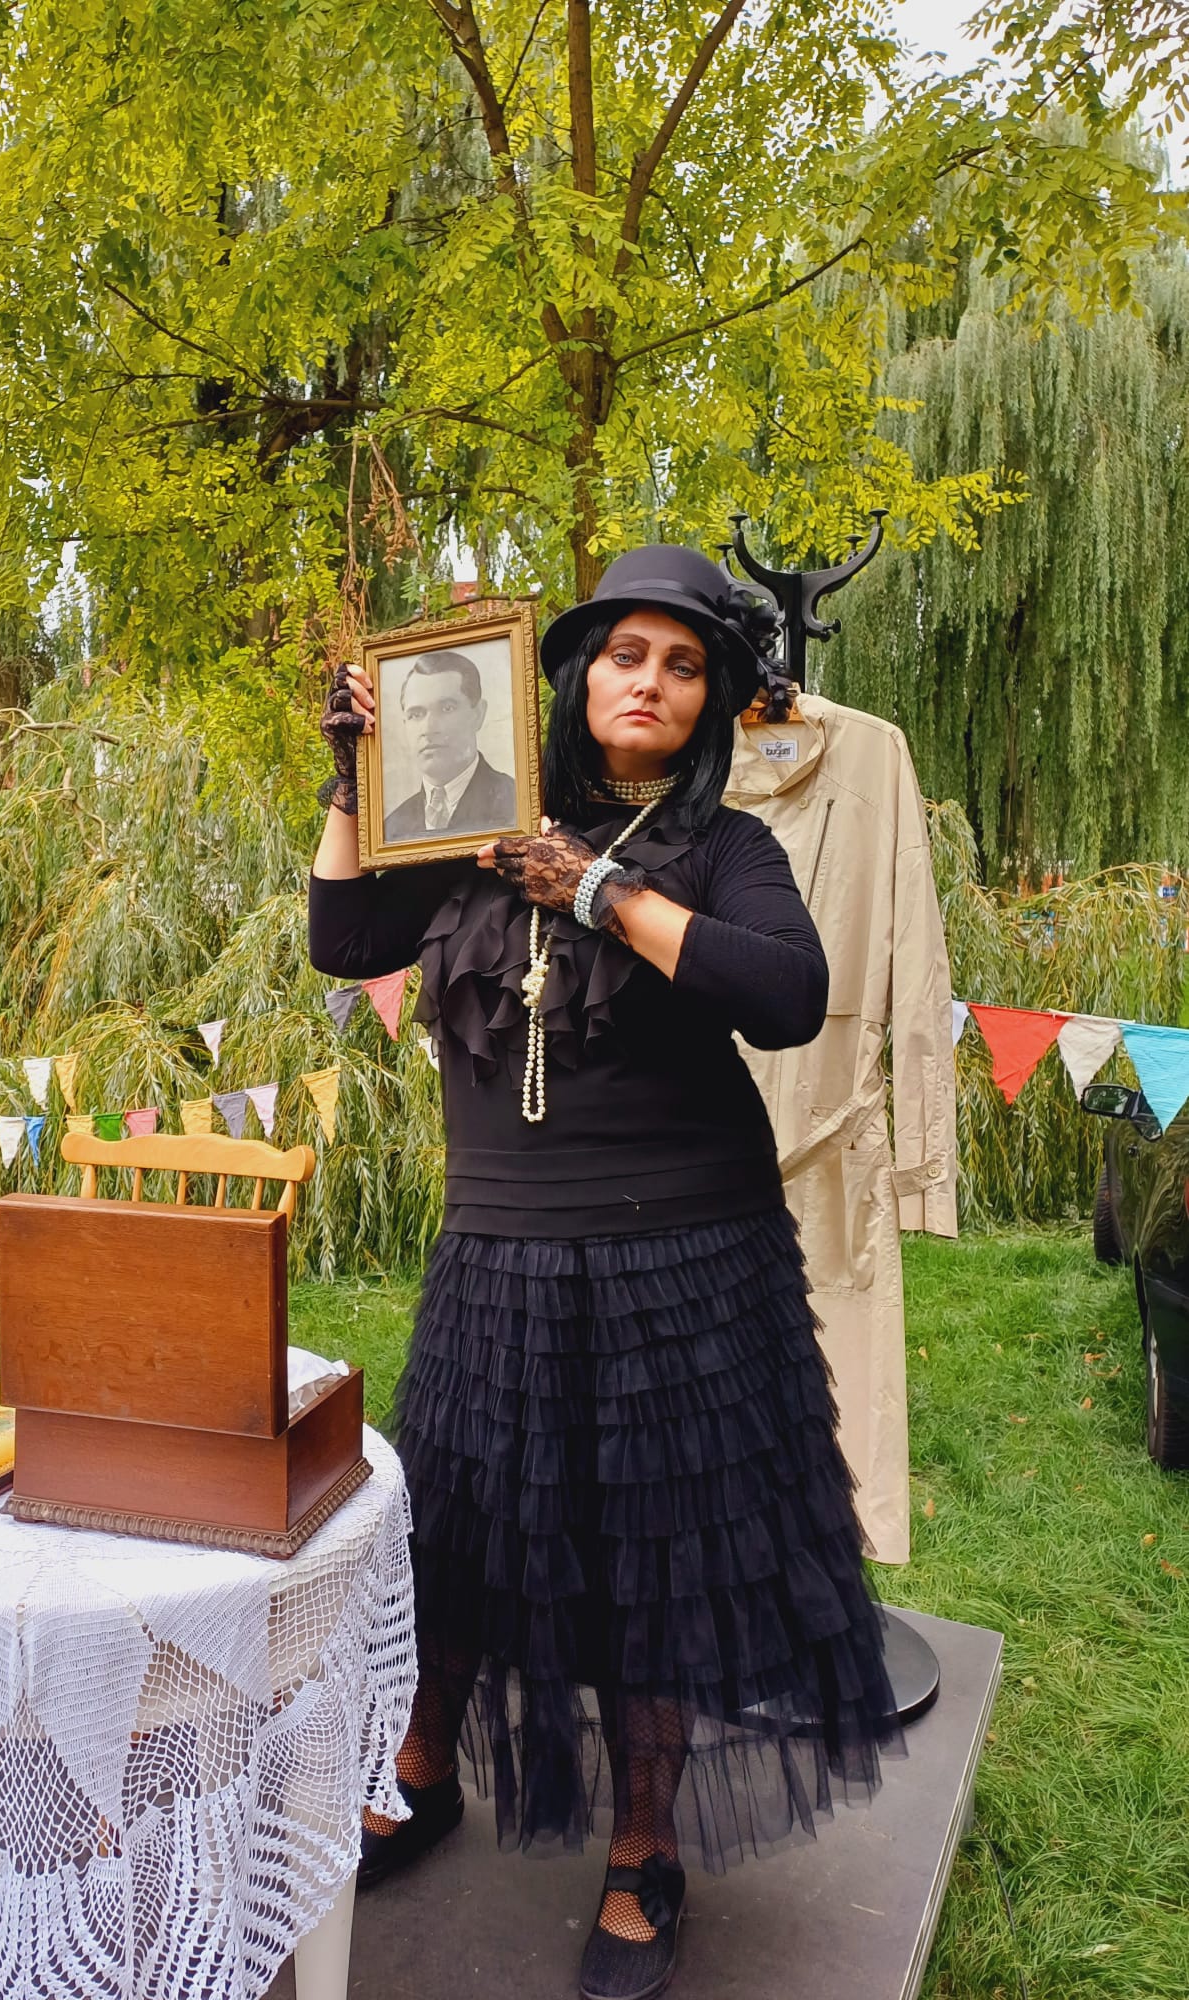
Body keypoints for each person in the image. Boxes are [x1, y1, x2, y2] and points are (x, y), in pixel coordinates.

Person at [309, 545, 898, 2000]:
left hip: (681, 1256)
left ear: (708, 703)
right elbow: (341, 936)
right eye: (627, 654)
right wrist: (352, 780)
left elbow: (790, 994)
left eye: (684, 665)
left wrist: (599, 891)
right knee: (461, 1528)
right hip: (499, 1247)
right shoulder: (472, 827)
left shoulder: (723, 850)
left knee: (657, 1556)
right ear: (576, 676)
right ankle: (424, 1771)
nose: (651, 682)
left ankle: (643, 1851)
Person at [383, 649, 517, 839]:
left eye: (447, 708)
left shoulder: (516, 803)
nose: (429, 728)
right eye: (416, 714)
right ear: (405, 724)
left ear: (478, 714)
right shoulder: (391, 829)